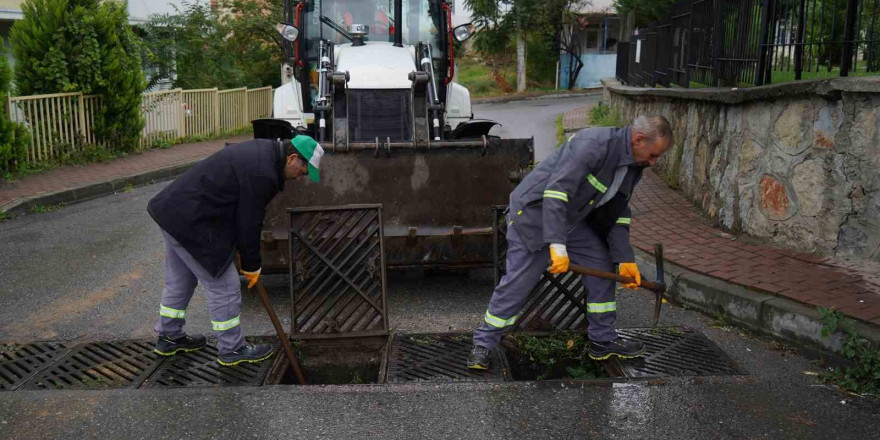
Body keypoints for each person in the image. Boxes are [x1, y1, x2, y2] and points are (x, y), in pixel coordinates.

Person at [467, 116, 673, 370]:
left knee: (603, 267)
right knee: (518, 284)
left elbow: (617, 210)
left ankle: (603, 340)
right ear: (639, 139)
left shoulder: (634, 165)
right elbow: (555, 193)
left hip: (573, 219)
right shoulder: (592, 145)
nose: (653, 162)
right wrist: (557, 245)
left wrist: (625, 257)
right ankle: (484, 344)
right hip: (534, 217)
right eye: (653, 154)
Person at [148, 135, 324, 366]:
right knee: (225, 285)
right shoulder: (264, 173)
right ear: (292, 158)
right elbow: (248, 221)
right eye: (303, 171)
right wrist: (251, 265)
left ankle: (169, 336)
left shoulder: (265, 152)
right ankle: (232, 349)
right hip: (192, 220)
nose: (301, 177)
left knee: (181, 279)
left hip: (171, 211)